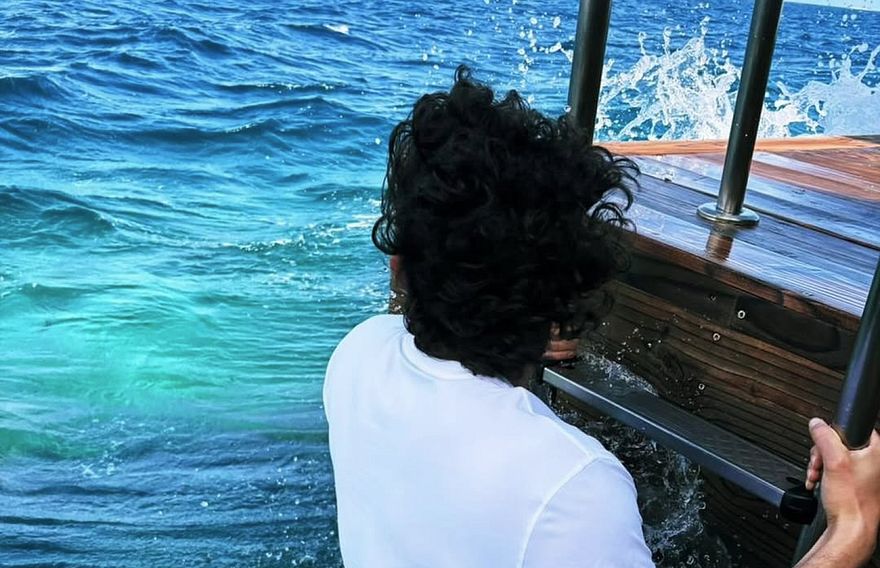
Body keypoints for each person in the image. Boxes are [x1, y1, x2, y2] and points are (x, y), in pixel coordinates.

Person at [323, 66, 880, 567]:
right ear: (565, 302)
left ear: (399, 268)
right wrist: (850, 530)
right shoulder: (573, 487)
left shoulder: (356, 357)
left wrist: (514, 321)